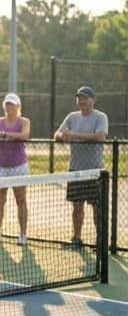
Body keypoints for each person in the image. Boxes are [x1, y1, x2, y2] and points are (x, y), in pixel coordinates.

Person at [53, 86, 109, 247]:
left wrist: (75, 135)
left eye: (85, 98)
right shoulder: (71, 116)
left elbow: (100, 136)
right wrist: (62, 136)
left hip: (94, 170)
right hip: (75, 170)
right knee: (77, 206)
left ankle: (101, 241)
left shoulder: (100, 117)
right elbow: (57, 134)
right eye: (80, 98)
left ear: (93, 100)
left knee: (96, 207)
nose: (82, 101)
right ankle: (76, 238)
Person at [0, 93, 31, 245]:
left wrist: (2, 134)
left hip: (19, 167)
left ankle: (22, 234)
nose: (9, 107)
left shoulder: (24, 121)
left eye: (12, 105)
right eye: (7, 104)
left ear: (18, 107)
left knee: (20, 200)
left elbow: (24, 135)